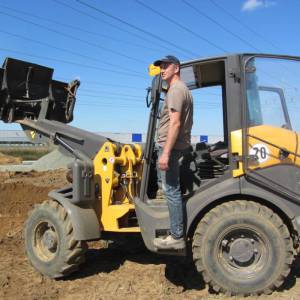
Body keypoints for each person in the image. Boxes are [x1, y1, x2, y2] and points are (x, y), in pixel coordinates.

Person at [153, 55, 193, 250]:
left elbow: (175, 123)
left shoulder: (176, 90)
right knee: (170, 188)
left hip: (170, 147)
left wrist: (166, 153)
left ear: (176, 68)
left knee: (171, 189)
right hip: (174, 145)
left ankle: (176, 235)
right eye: (161, 67)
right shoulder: (179, 89)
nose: (162, 69)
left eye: (166, 66)